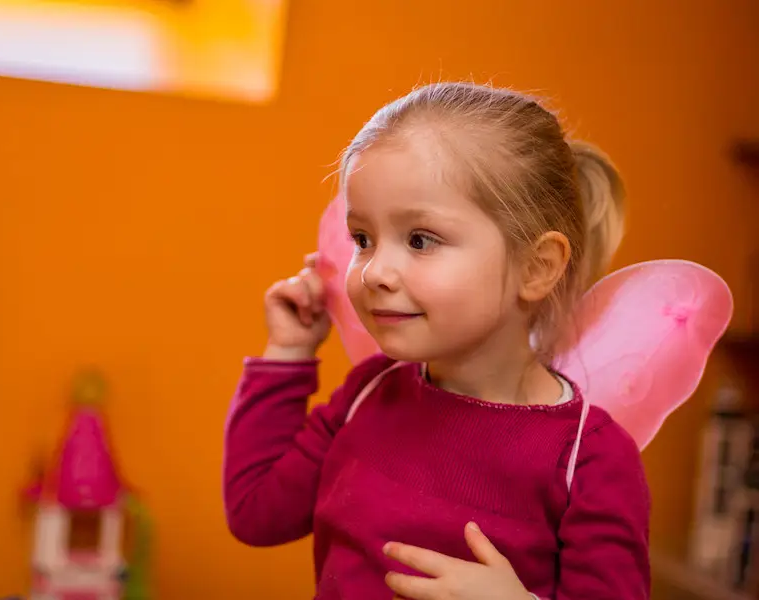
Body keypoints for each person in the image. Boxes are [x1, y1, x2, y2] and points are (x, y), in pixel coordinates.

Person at [222, 82, 649, 600]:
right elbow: (255, 512)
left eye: (420, 240)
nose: (376, 270)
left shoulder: (591, 459)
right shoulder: (368, 393)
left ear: (537, 268)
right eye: (363, 239)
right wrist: (288, 353)